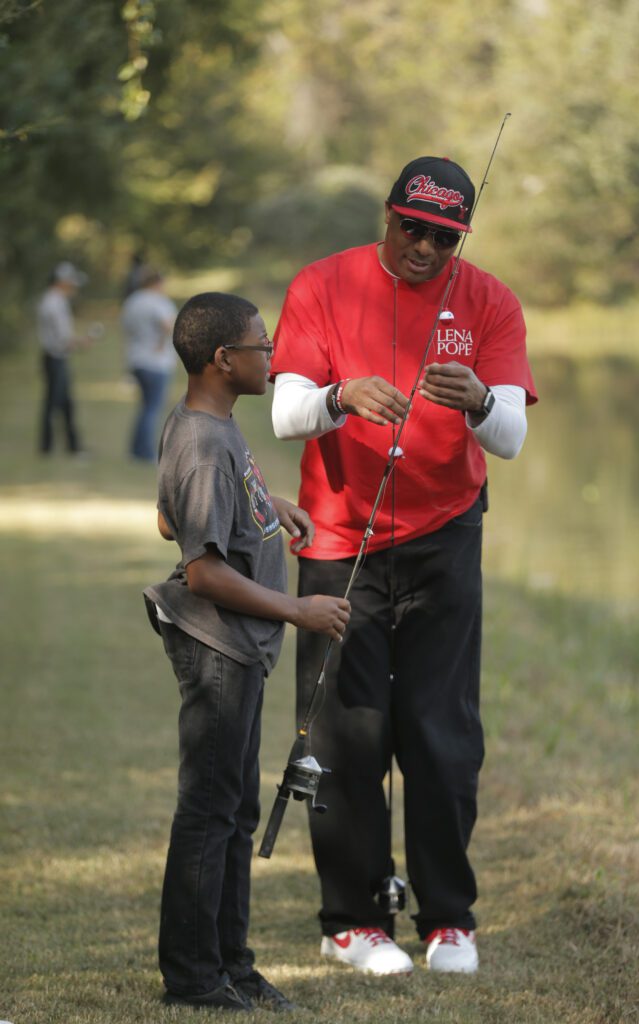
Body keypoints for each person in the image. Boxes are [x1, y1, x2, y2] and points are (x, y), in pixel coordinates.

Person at [269, 155, 537, 975]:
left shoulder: (489, 300)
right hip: (339, 542)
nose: (424, 247)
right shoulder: (320, 284)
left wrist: (482, 402)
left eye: (443, 236)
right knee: (350, 736)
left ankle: (448, 918)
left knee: (441, 733)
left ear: (460, 236)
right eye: (411, 228)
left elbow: (512, 438)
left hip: (445, 536)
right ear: (387, 216)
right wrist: (339, 396)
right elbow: (284, 415)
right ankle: (351, 920)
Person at [143, 292, 351, 1011]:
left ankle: (231, 961)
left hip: (238, 649)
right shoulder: (203, 441)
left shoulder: (212, 426)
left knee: (235, 812)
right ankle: (194, 978)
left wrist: (270, 507)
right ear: (222, 360)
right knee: (209, 811)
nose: (273, 356)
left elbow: (171, 518)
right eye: (262, 346)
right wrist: (297, 609)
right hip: (218, 648)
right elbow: (201, 568)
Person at [121, 266, 177, 461]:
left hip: (137, 358)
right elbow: (167, 326)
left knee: (145, 406)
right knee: (152, 408)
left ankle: (135, 448)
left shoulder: (132, 301)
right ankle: (145, 452)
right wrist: (162, 342)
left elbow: (126, 328)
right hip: (156, 361)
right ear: (158, 283)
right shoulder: (158, 302)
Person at [36, 260, 89, 454]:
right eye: (71, 282)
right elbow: (63, 338)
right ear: (62, 281)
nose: (74, 286)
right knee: (54, 405)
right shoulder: (54, 302)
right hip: (55, 358)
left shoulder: (53, 299)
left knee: (65, 404)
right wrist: (82, 342)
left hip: (56, 357)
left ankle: (71, 447)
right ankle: (48, 447)